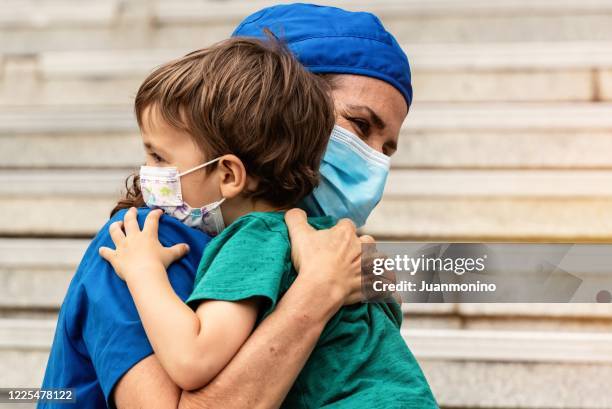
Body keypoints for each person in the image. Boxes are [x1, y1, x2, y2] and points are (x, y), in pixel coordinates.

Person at [40, 4, 428, 409]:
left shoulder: (316, 246)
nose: (373, 163)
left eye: (387, 149)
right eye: (360, 126)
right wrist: (318, 293)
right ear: (280, 107)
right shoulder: (141, 244)